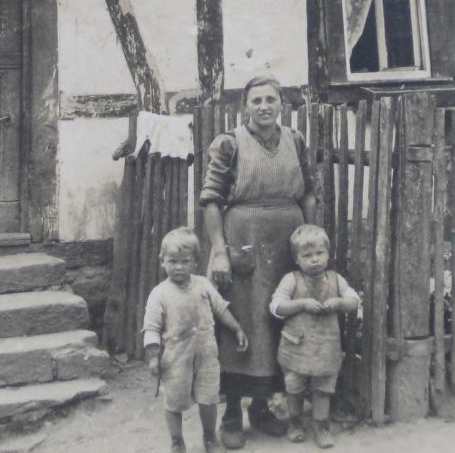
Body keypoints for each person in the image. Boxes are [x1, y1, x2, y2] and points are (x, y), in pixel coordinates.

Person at [201, 75, 319, 450]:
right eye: (256, 101)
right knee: (242, 320)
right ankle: (232, 411)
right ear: (245, 107)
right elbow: (211, 201)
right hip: (244, 239)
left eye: (271, 99)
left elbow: (310, 193)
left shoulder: (295, 141)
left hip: (288, 241)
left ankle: (263, 408)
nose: (264, 106)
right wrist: (219, 250)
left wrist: (311, 235)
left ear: (281, 104)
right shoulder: (229, 144)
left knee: (276, 322)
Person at [144, 227, 250, 453]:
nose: (179, 267)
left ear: (195, 262)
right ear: (162, 261)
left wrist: (237, 328)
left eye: (185, 261)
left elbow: (221, 309)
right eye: (172, 261)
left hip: (206, 353)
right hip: (175, 357)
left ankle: (210, 437)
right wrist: (153, 357)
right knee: (174, 401)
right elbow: (151, 328)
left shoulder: (203, 284)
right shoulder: (159, 294)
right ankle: (176, 441)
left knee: (209, 397)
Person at [269, 225, 360, 448]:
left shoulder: (336, 280)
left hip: (325, 348)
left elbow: (355, 300)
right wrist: (301, 304)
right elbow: (276, 306)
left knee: (323, 388)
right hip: (296, 348)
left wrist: (339, 302)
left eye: (320, 253)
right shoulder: (291, 279)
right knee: (294, 387)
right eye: (307, 255)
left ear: (328, 254)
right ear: (296, 259)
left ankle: (321, 425)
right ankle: (295, 423)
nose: (315, 260)